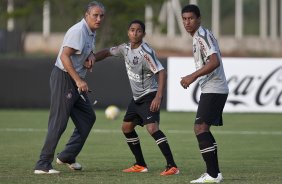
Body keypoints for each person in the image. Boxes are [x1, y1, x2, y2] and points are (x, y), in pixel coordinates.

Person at [92, 20, 179, 176]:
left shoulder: (146, 52)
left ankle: (172, 166)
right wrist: (91, 58)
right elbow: (106, 52)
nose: (135, 33)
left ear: (143, 34)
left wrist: (158, 97)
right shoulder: (125, 49)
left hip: (149, 95)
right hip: (137, 98)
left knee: (152, 129)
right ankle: (140, 164)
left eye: (139, 31)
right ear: (128, 32)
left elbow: (161, 72)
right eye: (132, 30)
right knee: (126, 128)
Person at [34, 1, 105, 174]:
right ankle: (42, 164)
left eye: (101, 15)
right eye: (95, 15)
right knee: (59, 122)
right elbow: (65, 57)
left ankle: (67, 155)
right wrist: (79, 81)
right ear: (86, 15)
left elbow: (83, 52)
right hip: (64, 78)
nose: (99, 18)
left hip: (74, 80)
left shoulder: (91, 32)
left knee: (88, 117)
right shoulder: (79, 31)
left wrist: (91, 57)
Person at [180, 4, 229, 183]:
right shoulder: (198, 36)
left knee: (200, 128)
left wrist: (192, 76)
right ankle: (215, 173)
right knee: (203, 128)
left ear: (199, 19)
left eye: (191, 18)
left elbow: (214, 61)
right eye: (184, 19)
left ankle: (213, 174)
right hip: (212, 88)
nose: (187, 22)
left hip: (214, 88)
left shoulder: (202, 36)